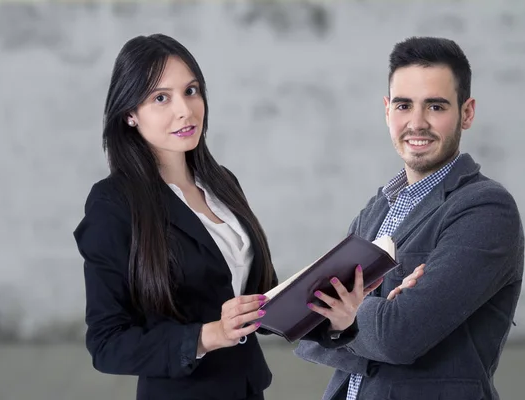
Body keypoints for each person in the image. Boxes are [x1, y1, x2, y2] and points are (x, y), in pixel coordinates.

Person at [73, 33, 383, 400]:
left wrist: (336, 318)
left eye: (191, 91)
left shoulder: (221, 182)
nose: (185, 110)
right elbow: (107, 343)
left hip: (248, 389)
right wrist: (211, 335)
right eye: (161, 98)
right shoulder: (113, 204)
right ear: (129, 115)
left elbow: (261, 300)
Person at [294, 36, 525, 400]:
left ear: (466, 112)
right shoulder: (376, 210)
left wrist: (352, 316)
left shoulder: (486, 209)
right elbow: (310, 334)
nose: (417, 123)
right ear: (387, 110)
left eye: (435, 106)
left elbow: (398, 337)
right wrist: (373, 313)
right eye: (404, 105)